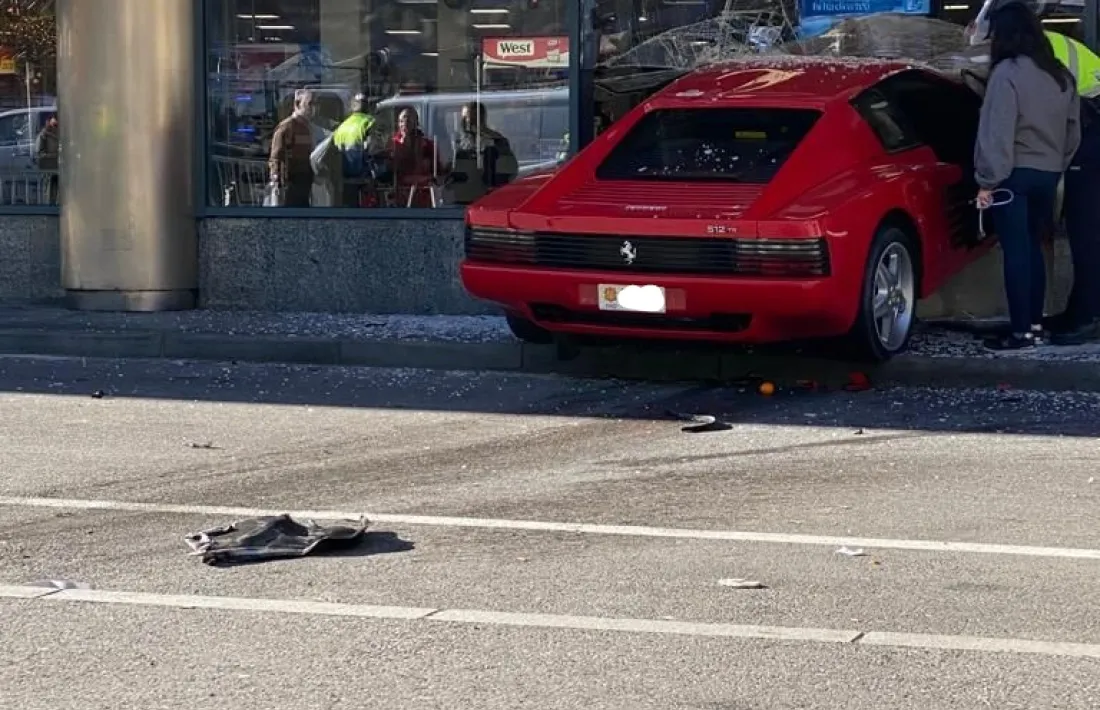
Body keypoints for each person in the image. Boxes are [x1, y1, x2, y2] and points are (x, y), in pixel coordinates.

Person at [974, 2, 1080, 350]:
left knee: (1016, 252)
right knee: (1034, 249)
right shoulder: (1060, 75)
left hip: (1013, 176)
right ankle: (1034, 324)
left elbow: (997, 132)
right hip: (1048, 175)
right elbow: (1073, 132)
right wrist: (1056, 164)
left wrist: (987, 181)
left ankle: (1021, 332)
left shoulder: (1007, 73)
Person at [449, 102, 517, 205]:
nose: (467, 122)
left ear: (481, 118)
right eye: (464, 118)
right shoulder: (457, 141)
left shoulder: (496, 140)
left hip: (487, 195)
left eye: (471, 118)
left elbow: (509, 169)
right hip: (463, 195)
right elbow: (448, 168)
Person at [267, 89, 316, 207]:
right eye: (309, 104)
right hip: (291, 182)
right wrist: (277, 182)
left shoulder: (310, 127)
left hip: (305, 181)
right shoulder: (287, 127)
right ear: (298, 104)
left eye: (315, 104)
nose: (313, 108)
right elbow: (276, 157)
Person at [331, 93, 380, 207]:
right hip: (362, 175)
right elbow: (373, 149)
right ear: (367, 106)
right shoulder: (369, 121)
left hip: (343, 176)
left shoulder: (342, 126)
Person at [390, 107, 440, 208]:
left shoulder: (428, 145)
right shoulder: (393, 144)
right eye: (401, 121)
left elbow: (437, 169)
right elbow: (393, 171)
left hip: (423, 194)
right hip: (400, 193)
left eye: (408, 120)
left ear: (416, 123)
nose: (404, 124)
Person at [34, 113, 59, 206]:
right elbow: (39, 154)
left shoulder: (63, 134)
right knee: (49, 193)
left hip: (61, 169)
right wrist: (54, 156)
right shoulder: (43, 135)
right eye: (54, 124)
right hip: (49, 170)